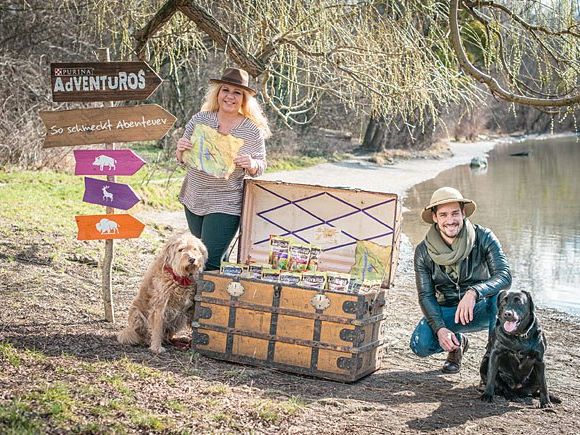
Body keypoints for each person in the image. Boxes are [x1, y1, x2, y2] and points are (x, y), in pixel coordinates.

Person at [176, 67, 271, 271]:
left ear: (244, 99)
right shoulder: (200, 120)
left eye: (237, 92)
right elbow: (183, 159)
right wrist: (180, 150)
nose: (230, 96)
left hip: (225, 201)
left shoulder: (250, 130)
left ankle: (203, 302)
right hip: (194, 196)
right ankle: (219, 296)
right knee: (207, 255)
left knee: (208, 260)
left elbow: (261, 165)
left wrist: (252, 164)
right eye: (225, 90)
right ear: (217, 93)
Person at [409, 187, 512, 374]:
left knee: (501, 296)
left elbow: (504, 275)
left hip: (481, 308)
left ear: (463, 213)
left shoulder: (484, 237)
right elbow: (425, 295)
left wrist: (474, 292)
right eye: (443, 214)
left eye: (455, 213)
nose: (450, 220)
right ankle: (458, 344)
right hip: (448, 310)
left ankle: (492, 364)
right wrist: (440, 328)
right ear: (435, 217)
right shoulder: (423, 251)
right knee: (420, 344)